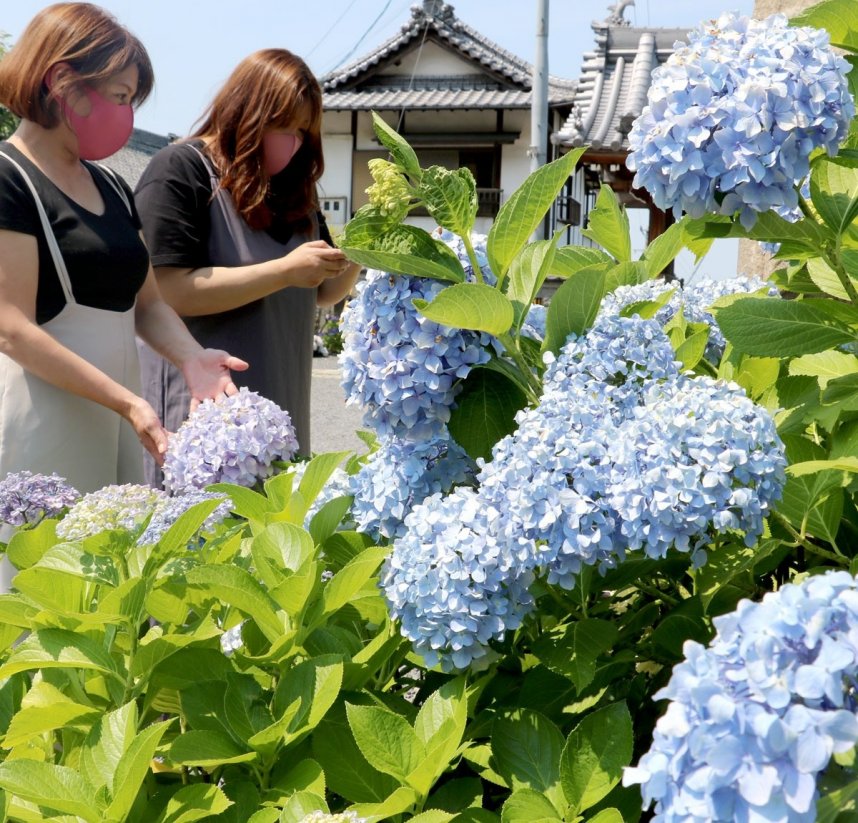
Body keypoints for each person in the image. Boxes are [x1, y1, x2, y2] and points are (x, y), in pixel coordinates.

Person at [0, 3, 248, 494]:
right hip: (43, 419)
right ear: (61, 81)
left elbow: (148, 302)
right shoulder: (10, 176)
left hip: (121, 416)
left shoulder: (112, 185)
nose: (126, 115)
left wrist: (192, 358)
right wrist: (128, 403)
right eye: (119, 95)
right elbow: (12, 329)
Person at [134, 48, 360, 487]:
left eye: (302, 131)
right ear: (245, 112)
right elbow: (169, 289)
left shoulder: (296, 190)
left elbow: (322, 293)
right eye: (282, 126)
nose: (292, 142)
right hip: (204, 407)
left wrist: (358, 255)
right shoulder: (182, 170)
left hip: (281, 411)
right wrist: (285, 270)